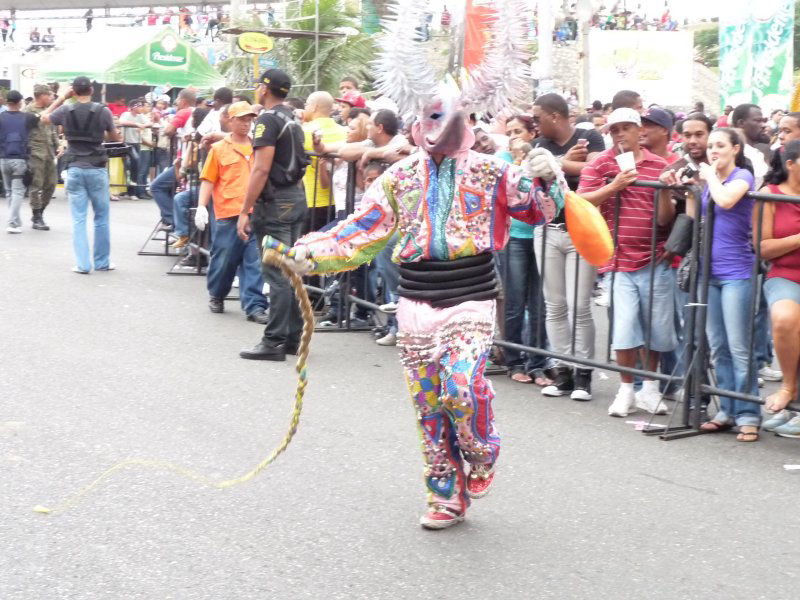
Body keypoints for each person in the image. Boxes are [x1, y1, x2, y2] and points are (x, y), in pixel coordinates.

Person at [273, 79, 564, 528]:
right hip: (414, 304)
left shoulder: (493, 171)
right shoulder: (399, 177)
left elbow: (541, 211)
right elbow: (361, 229)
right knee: (429, 406)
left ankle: (482, 450)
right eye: (430, 117)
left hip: (471, 297)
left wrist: (550, 177)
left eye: (448, 117)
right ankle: (445, 494)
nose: (440, 127)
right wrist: (307, 253)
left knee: (460, 386)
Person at [578, 108, 675, 417]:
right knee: (624, 327)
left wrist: (663, 190)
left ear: (638, 131)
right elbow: (580, 201)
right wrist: (614, 186)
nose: (620, 134)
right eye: (614, 129)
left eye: (626, 128)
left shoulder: (660, 164)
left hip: (654, 257)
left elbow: (665, 218)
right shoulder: (600, 163)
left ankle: (649, 388)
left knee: (657, 328)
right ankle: (625, 389)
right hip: (618, 260)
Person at [531, 93, 605, 398]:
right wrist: (568, 163)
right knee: (555, 305)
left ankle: (583, 372)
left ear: (554, 116)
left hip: (581, 230)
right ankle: (562, 369)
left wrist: (558, 165)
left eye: (537, 118)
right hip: (548, 230)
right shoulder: (540, 145)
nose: (534, 125)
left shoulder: (590, 135)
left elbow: (598, 168)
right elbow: (535, 171)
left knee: (579, 306)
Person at [238, 69, 310, 361]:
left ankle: (274, 340)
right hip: (295, 196)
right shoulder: (292, 118)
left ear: (264, 90)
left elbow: (261, 168)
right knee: (290, 271)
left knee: (277, 272)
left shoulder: (267, 120)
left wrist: (245, 209)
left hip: (276, 201)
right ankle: (292, 337)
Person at [695, 129, 761, 442]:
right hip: (711, 273)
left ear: (735, 148)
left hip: (736, 273)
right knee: (718, 347)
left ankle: (749, 413)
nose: (712, 151)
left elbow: (727, 199)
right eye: (710, 146)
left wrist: (708, 176)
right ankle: (726, 410)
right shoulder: (711, 180)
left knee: (739, 347)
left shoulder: (742, 176)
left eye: (719, 145)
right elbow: (698, 216)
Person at [193, 101, 269, 324]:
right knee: (224, 259)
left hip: (254, 211)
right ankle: (217, 293)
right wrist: (201, 206)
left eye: (249, 120)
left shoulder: (257, 147)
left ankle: (254, 305)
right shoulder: (219, 149)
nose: (246, 124)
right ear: (231, 120)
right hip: (227, 212)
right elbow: (208, 179)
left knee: (253, 260)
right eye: (242, 119)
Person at [42, 77, 120, 273]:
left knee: (78, 218)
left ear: (74, 91)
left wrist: (61, 98)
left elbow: (44, 117)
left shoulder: (66, 110)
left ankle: (83, 264)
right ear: (91, 90)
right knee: (101, 217)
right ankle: (102, 262)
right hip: (97, 167)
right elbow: (114, 137)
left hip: (74, 166)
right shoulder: (103, 111)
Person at [758, 139, 800, 438]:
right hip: (785, 273)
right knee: (785, 319)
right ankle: (788, 388)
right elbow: (763, 247)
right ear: (790, 164)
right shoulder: (769, 196)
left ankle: (794, 408)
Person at [149, 88, 195, 229]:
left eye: (177, 101)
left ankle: (173, 220)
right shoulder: (197, 111)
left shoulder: (184, 112)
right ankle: (173, 219)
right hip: (191, 159)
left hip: (183, 161)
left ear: (183, 101)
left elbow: (168, 130)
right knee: (169, 188)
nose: (176, 104)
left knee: (156, 187)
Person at [301, 91, 346, 231]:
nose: (305, 108)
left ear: (314, 107)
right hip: (340, 202)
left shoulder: (304, 131)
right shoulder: (344, 131)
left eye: (307, 105)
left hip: (314, 202)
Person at [0, 90, 39, 234]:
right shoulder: (27, 118)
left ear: (7, 102)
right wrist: (62, 98)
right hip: (19, 160)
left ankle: (14, 220)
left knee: (10, 192)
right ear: (20, 102)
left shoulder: (1, 117)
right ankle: (13, 223)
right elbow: (45, 114)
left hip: (3, 159)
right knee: (17, 192)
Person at [24, 84, 60, 230]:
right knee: (36, 184)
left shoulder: (49, 112)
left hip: (49, 150)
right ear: (41, 96)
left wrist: (58, 144)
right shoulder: (28, 111)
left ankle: (40, 211)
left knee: (51, 184)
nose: (52, 98)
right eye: (49, 95)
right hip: (35, 151)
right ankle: (37, 216)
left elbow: (51, 130)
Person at [118, 99, 150, 199]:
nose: (141, 108)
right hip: (127, 143)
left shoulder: (141, 116)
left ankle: (132, 191)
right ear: (133, 107)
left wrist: (143, 125)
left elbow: (150, 123)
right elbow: (122, 122)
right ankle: (129, 190)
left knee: (135, 167)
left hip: (137, 143)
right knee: (130, 165)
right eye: (139, 106)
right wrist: (136, 124)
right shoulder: (126, 114)